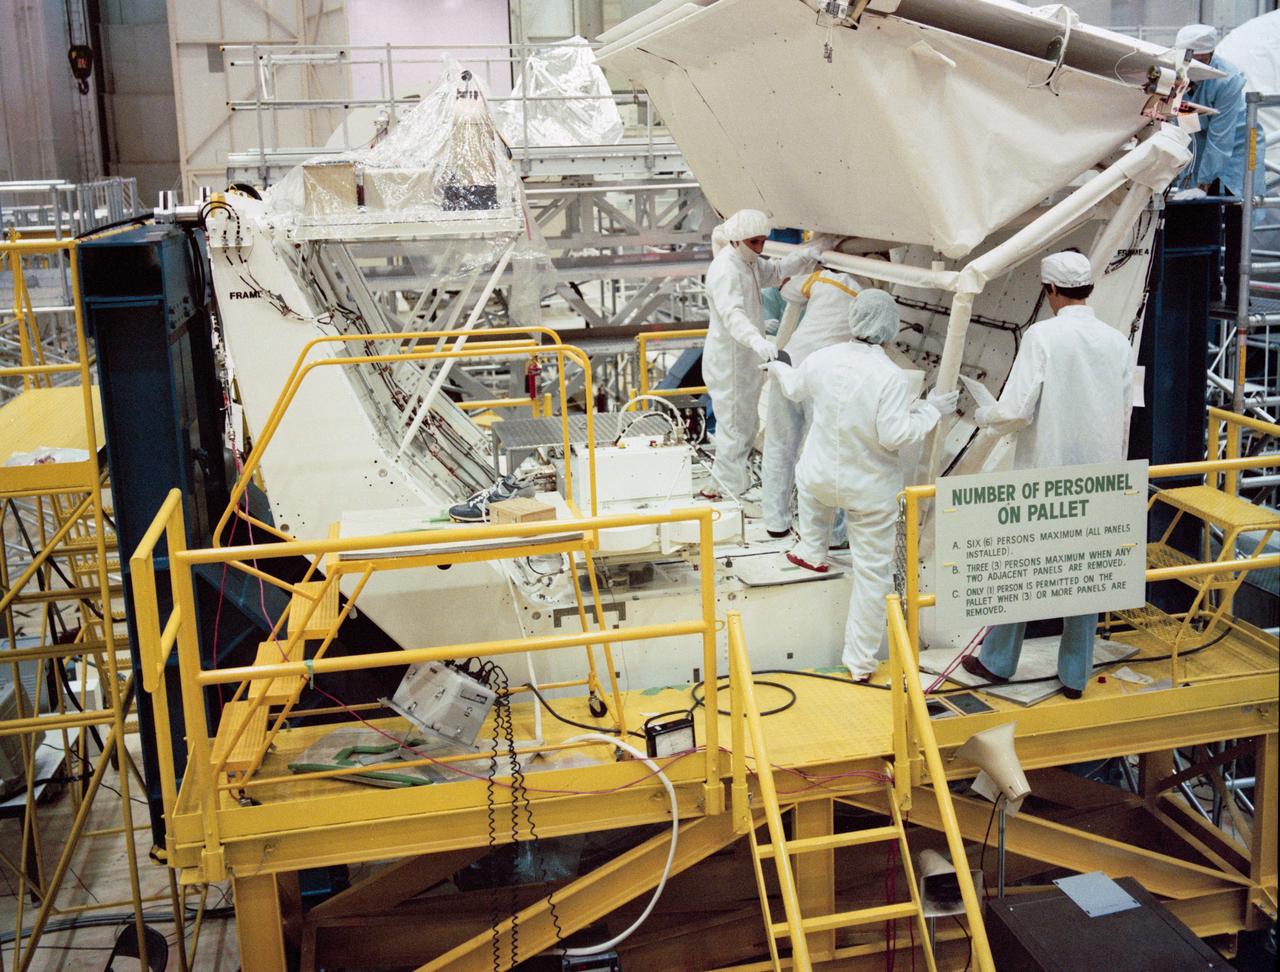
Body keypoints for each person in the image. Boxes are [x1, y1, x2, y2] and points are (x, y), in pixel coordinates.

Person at [963, 251, 1135, 699]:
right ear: (1089, 289)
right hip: (1101, 475)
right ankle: (1075, 676)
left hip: (1047, 475)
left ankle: (998, 661)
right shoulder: (1118, 341)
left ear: (1050, 291)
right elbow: (1125, 412)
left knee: (1025, 567)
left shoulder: (1042, 336)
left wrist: (983, 411)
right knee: (1084, 571)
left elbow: (1017, 412)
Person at [764, 289, 957, 681]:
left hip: (817, 479)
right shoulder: (889, 376)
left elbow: (794, 386)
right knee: (872, 576)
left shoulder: (823, 357)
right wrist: (931, 411)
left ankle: (813, 549)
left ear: (854, 320)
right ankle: (859, 664)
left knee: (813, 494)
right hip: (868, 491)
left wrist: (777, 365)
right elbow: (895, 435)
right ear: (890, 328)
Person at [701, 210, 820, 502]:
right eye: (754, 242)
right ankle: (726, 488)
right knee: (735, 425)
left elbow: (776, 272)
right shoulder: (725, 270)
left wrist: (810, 252)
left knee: (746, 423)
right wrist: (755, 335)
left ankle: (729, 481)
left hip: (743, 357)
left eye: (763, 242)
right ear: (737, 240)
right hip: (731, 360)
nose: (760, 248)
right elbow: (732, 314)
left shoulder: (748, 262)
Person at [760, 267, 865, 543]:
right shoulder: (870, 300)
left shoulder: (824, 278)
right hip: (822, 375)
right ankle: (826, 534)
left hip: (788, 362)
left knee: (779, 444)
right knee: (822, 452)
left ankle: (775, 521)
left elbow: (785, 288)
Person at [1175, 23, 1267, 199]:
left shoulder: (1227, 79)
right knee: (1189, 202)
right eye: (1189, 60)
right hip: (1202, 144)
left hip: (1240, 146)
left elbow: (1220, 138)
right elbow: (1187, 130)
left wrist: (1202, 185)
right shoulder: (1175, 72)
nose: (1194, 66)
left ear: (1211, 54)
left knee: (1237, 204)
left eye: (1201, 61)